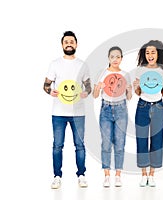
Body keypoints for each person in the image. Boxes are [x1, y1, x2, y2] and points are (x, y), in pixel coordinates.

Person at [43, 31, 91, 189]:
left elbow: (88, 86)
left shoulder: (82, 64)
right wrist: (50, 91)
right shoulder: (55, 64)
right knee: (57, 146)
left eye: (72, 41)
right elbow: (46, 85)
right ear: (62, 45)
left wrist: (86, 92)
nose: (69, 44)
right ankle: (57, 176)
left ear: (76, 44)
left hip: (78, 113)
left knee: (80, 145)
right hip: (58, 113)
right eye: (66, 42)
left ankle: (81, 175)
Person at [93, 46, 132, 187]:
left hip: (121, 109)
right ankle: (107, 175)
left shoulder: (125, 74)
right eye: (112, 57)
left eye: (118, 57)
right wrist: (97, 88)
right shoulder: (102, 73)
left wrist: (129, 90)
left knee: (120, 143)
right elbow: (95, 95)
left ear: (121, 58)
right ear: (108, 58)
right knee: (106, 143)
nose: (115, 59)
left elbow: (129, 97)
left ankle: (118, 175)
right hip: (106, 109)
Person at [133, 40, 163, 187]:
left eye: (152, 52)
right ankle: (143, 174)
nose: (150, 55)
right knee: (141, 139)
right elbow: (138, 92)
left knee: (157, 139)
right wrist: (136, 88)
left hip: (158, 107)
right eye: (147, 53)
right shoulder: (140, 69)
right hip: (142, 106)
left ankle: (152, 174)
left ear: (158, 53)